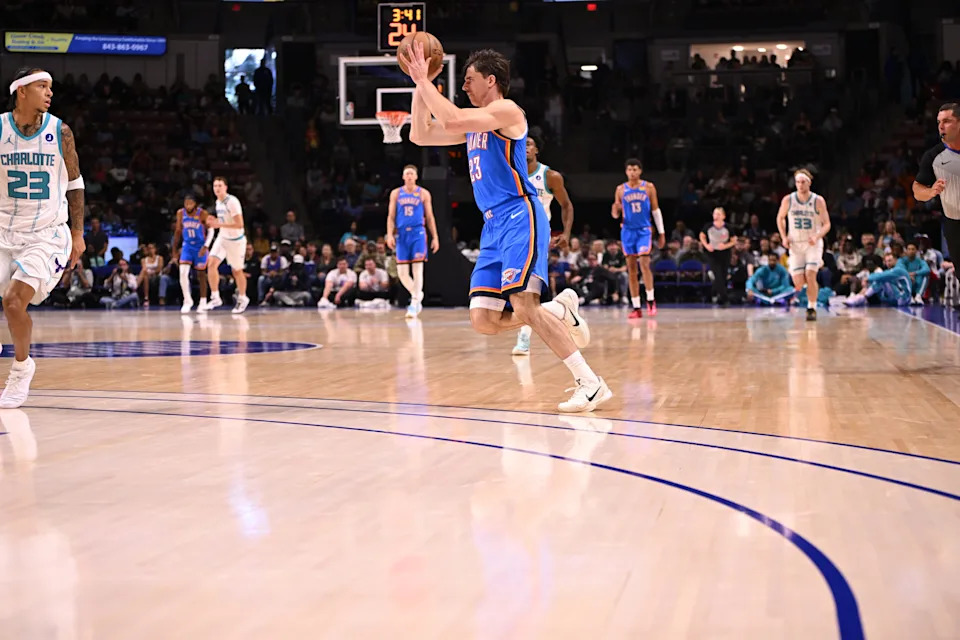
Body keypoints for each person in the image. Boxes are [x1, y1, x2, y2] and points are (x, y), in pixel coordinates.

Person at [405, 44, 610, 411]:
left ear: (491, 80)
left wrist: (424, 81)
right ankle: (561, 311)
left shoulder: (506, 111)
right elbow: (420, 134)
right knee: (483, 319)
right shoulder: (474, 125)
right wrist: (423, 85)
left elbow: (450, 120)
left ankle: (590, 383)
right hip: (492, 226)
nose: (464, 88)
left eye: (469, 81)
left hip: (520, 214)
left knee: (523, 304)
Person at [0, 68, 85, 408]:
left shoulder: (60, 131)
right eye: (42, 86)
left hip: (45, 234)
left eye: (50, 87)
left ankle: (21, 369)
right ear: (21, 91)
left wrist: (77, 233)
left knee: (14, 301)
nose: (50, 93)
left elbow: (75, 183)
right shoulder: (0, 129)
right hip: (3, 230)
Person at [513, 135, 574, 355]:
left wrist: (566, 233)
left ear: (537, 149)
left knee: (529, 290)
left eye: (529, 144)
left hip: (538, 234)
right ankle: (561, 307)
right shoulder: (512, 173)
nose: (525, 148)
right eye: (521, 144)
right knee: (514, 290)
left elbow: (566, 205)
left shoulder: (549, 176)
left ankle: (524, 337)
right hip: (514, 235)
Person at [611, 159, 665, 319]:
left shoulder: (648, 187)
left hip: (644, 230)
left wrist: (661, 233)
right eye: (629, 169)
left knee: (644, 263)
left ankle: (650, 299)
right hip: (627, 231)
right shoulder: (620, 189)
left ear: (640, 171)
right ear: (626, 172)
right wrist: (615, 209)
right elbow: (615, 215)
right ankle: (636, 307)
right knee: (631, 269)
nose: (632, 172)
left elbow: (656, 210)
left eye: (635, 169)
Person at [776, 169, 831, 321]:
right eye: (798, 182)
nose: (800, 185)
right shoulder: (788, 200)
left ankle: (811, 307)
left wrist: (817, 235)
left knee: (810, 274)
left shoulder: (818, 200)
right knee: (798, 282)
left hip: (812, 242)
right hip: (795, 243)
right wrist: (783, 236)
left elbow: (827, 224)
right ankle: (811, 288)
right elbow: (780, 218)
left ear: (809, 183)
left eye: (803, 182)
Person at [386, 165, 439, 318]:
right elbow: (391, 216)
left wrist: (435, 236)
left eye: (411, 174)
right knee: (402, 273)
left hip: (418, 233)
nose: (409, 176)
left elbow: (430, 217)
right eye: (406, 174)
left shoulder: (423, 193)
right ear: (403, 177)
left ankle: (414, 302)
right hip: (401, 234)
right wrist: (389, 234)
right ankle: (417, 294)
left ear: (416, 177)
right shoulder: (396, 193)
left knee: (417, 270)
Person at [913, 103, 960, 270]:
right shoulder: (933, 156)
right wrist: (931, 191)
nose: (941, 126)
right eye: (939, 122)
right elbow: (917, 191)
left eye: (947, 121)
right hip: (954, 224)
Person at [203, 176, 250, 313]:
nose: (217, 188)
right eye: (215, 186)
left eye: (219, 186)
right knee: (211, 263)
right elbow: (224, 220)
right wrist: (215, 221)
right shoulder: (218, 202)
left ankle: (242, 297)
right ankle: (215, 297)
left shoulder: (232, 202)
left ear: (226, 187)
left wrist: (219, 224)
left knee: (237, 271)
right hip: (223, 237)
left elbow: (239, 224)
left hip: (236, 241)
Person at [172, 193, 209, 313]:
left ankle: (203, 301)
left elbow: (211, 230)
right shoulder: (180, 213)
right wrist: (174, 249)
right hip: (187, 246)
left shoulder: (202, 213)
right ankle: (187, 300)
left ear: (195, 204)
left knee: (201, 275)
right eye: (186, 203)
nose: (188, 206)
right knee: (183, 272)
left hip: (200, 246)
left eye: (190, 203)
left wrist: (206, 246)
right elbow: (178, 231)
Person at [700, 208, 736, 307]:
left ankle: (715, 295)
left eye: (719, 214)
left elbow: (734, 240)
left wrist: (725, 245)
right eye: (715, 214)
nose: (716, 216)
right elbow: (702, 235)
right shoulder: (708, 226)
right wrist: (706, 245)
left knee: (723, 276)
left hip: (725, 253)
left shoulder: (728, 227)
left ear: (723, 216)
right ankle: (725, 299)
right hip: (712, 254)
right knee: (718, 274)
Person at [843, 253, 912, 306]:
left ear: (896, 260)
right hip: (898, 297)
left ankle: (861, 298)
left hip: (903, 298)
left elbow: (882, 275)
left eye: (890, 261)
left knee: (880, 280)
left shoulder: (899, 269)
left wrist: (867, 279)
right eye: (886, 261)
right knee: (879, 280)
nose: (888, 263)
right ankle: (860, 296)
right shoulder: (893, 270)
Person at [136, 242, 164, 308]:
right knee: (145, 275)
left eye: (152, 248)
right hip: (147, 276)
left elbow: (159, 269)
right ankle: (146, 298)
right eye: (149, 249)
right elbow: (144, 269)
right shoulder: (143, 260)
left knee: (145, 274)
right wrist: (148, 273)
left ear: (155, 249)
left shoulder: (160, 258)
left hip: (157, 277)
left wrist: (151, 273)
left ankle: (135, 286)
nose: (150, 250)